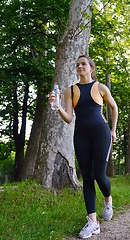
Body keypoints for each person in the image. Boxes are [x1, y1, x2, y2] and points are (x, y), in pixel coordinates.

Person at [49, 55, 118, 239]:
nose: (80, 66)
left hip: (101, 133)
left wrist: (113, 130)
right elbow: (69, 118)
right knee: (87, 177)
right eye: (78, 64)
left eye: (84, 64)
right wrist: (57, 107)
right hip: (80, 135)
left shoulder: (100, 87)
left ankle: (108, 199)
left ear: (91, 68)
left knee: (99, 175)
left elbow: (114, 107)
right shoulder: (70, 90)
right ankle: (93, 222)